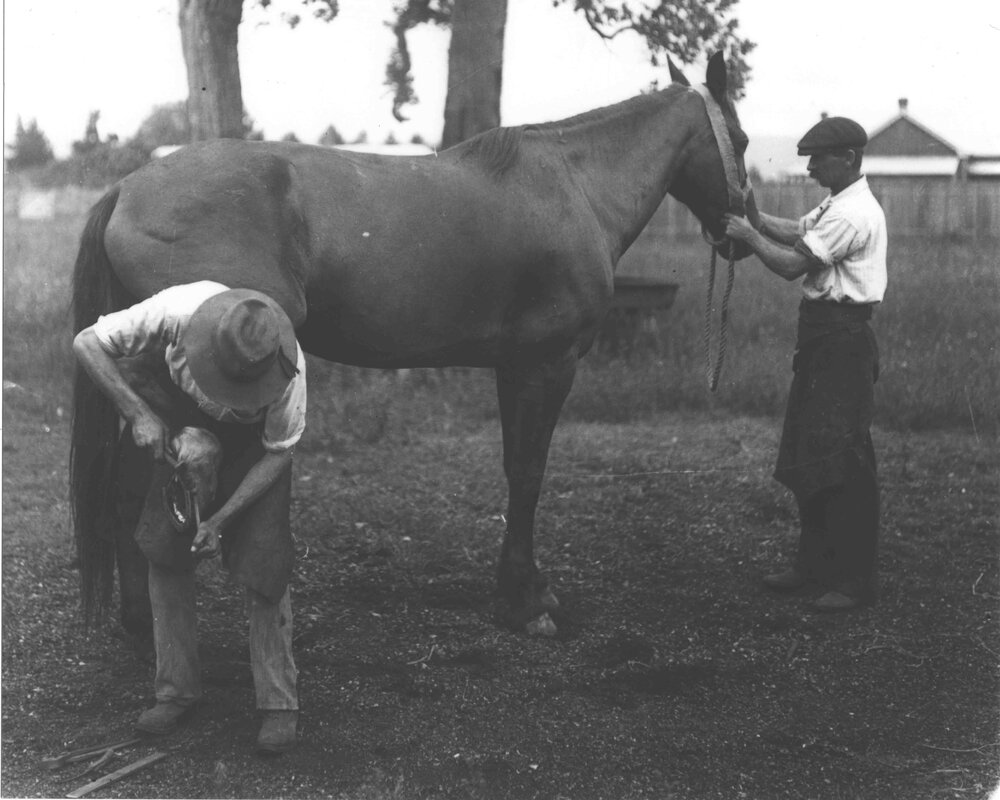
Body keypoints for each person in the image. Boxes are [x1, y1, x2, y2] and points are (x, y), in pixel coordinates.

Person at [73, 281, 307, 752]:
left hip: (254, 452)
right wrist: (137, 413)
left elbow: (279, 452)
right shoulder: (174, 310)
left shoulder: (290, 369)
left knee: (266, 565)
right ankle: (177, 691)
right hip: (185, 433)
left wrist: (220, 519)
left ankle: (279, 703)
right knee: (164, 550)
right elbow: (87, 343)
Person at [723, 116, 887, 612]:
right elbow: (795, 231)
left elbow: (794, 264)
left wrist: (746, 238)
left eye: (819, 159)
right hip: (821, 340)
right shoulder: (837, 202)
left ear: (849, 159)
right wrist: (749, 206)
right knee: (809, 455)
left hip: (842, 343)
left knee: (845, 461)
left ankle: (855, 582)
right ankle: (812, 566)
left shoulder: (854, 214)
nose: (811, 167)